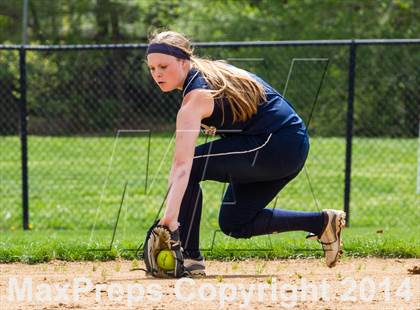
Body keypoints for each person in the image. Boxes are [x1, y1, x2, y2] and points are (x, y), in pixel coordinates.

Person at [146, 30, 346, 276]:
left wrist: (169, 222)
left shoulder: (196, 98)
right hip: (285, 146)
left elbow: (181, 166)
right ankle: (321, 222)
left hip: (276, 144)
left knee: (195, 164)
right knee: (234, 222)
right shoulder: (211, 74)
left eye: (163, 66)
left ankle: (190, 257)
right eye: (152, 68)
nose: (157, 74)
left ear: (183, 61)